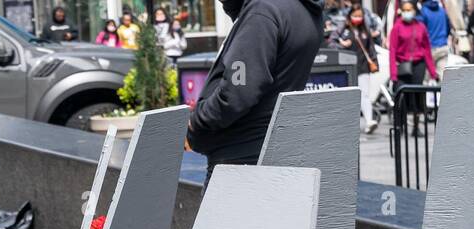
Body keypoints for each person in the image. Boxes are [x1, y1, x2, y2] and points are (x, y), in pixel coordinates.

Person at [186, 0, 325, 186]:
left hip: (238, 162)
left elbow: (237, 92)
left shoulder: (262, 11)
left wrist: (197, 120)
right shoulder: (299, 9)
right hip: (266, 150)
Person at [335, 2, 382, 132]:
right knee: (350, 96)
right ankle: (348, 126)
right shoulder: (344, 29)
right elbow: (333, 42)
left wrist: (374, 63)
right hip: (347, 69)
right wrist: (342, 43)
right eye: (355, 15)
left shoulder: (365, 30)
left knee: (365, 95)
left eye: (360, 15)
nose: (358, 18)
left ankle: (369, 121)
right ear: (350, 16)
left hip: (363, 67)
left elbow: (371, 47)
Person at [389, 0, 438, 122]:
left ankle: (416, 125)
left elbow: (427, 50)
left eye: (409, 10)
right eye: (404, 10)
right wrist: (393, 75)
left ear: (415, 11)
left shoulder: (421, 27)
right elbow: (392, 51)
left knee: (417, 95)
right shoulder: (397, 27)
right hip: (403, 66)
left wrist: (432, 72)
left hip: (418, 65)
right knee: (401, 96)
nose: (407, 12)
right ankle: (400, 125)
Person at [418, 0, 452, 76]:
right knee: (442, 79)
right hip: (443, 47)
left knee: (427, 81)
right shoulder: (442, 10)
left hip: (429, 50)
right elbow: (448, 27)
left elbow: (420, 32)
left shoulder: (423, 12)